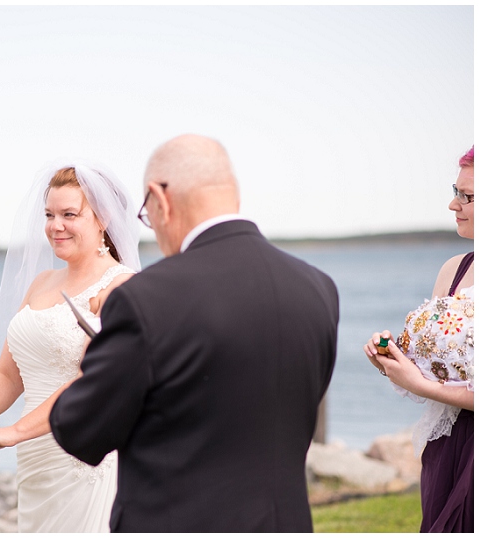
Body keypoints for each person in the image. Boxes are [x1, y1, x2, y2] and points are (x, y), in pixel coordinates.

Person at [49, 134, 340, 532]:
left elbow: (80, 431)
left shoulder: (144, 299)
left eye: (146, 214)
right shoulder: (318, 288)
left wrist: (99, 353)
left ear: (159, 198)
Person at [0, 162, 142, 532]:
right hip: (35, 462)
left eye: (69, 214)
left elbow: (90, 382)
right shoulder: (42, 283)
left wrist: (14, 431)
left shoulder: (122, 287)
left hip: (84, 458)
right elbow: (8, 375)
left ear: (103, 219)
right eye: (49, 214)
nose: (55, 226)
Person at [364, 145, 473, 533]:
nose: (452, 204)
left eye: (467, 196)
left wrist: (422, 385)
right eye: (455, 191)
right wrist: (392, 360)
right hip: (447, 443)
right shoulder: (454, 269)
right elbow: (431, 369)